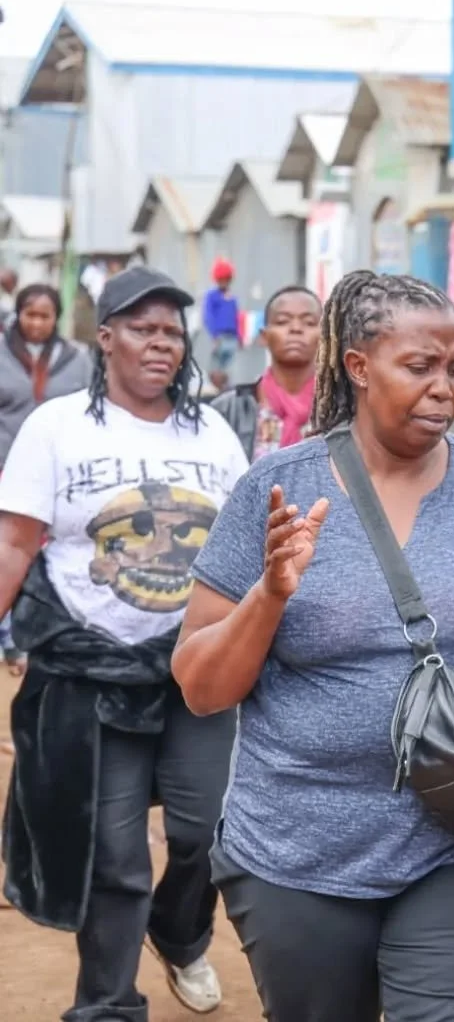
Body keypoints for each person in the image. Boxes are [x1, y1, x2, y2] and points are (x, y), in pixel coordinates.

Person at [171, 270, 454, 1022]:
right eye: (420, 368)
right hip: (301, 851)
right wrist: (271, 594)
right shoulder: (275, 489)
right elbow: (201, 686)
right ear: (357, 367)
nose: (445, 388)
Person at [0, 266, 249, 1022]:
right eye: (142, 328)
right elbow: (16, 542)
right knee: (114, 857)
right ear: (104, 337)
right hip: (91, 670)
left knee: (210, 828)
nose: (160, 344)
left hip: (195, 671)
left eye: (172, 331)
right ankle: (107, 1004)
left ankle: (179, 931)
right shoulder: (58, 425)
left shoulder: (211, 431)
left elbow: (242, 546)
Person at [0, 284, 93, 674]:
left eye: (45, 316)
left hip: (58, 474)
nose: (36, 323)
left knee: (44, 553)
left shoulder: (78, 359)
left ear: (57, 319)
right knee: (7, 550)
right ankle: (7, 636)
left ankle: (29, 635)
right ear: (18, 315)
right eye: (30, 315)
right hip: (5, 468)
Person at [211, 285, 320, 459]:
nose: (296, 329)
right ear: (264, 336)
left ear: (325, 336)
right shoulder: (226, 411)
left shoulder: (346, 410)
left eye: (309, 322)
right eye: (283, 321)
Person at [202, 257, 239, 376]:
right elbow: (208, 316)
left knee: (227, 367)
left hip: (232, 337)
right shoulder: (212, 296)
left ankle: (224, 387)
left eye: (226, 279)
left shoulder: (232, 298)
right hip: (220, 337)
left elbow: (236, 317)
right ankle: (215, 387)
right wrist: (214, 335)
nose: (224, 282)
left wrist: (239, 336)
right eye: (221, 279)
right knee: (215, 366)